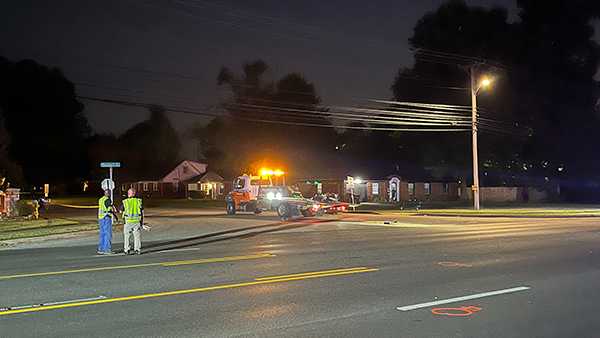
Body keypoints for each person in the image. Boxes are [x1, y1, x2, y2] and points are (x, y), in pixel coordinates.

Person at [122, 188, 146, 255]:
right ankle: (137, 250)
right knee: (137, 236)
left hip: (128, 222)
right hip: (136, 222)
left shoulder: (125, 202)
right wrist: (142, 223)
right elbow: (142, 212)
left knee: (127, 237)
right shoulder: (139, 201)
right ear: (134, 193)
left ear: (129, 194)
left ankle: (127, 250)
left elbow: (121, 210)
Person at [97, 189, 116, 255]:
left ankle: (101, 249)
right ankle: (107, 249)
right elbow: (109, 208)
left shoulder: (101, 199)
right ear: (108, 193)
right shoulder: (108, 200)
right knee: (108, 234)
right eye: (109, 193)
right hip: (106, 217)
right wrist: (114, 211)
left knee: (102, 234)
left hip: (101, 218)